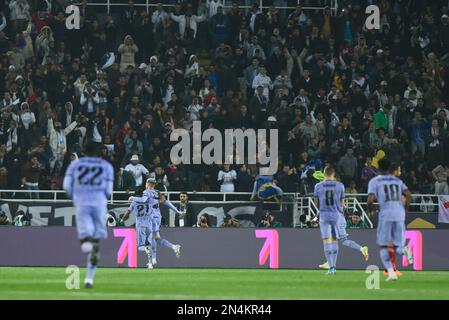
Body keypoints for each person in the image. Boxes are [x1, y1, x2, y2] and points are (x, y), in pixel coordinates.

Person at [63, 141, 114, 288]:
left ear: (84, 152)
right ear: (99, 152)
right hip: (99, 203)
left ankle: (87, 245)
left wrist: (75, 196)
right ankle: (89, 279)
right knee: (96, 241)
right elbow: (109, 190)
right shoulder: (106, 166)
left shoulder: (75, 165)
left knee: (85, 238)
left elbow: (66, 186)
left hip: (82, 202)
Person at [314, 167, 368, 274]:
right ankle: (361, 249)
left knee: (327, 242)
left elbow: (317, 202)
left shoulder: (318, 186)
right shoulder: (340, 186)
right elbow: (342, 203)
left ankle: (331, 266)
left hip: (325, 215)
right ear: (333, 174)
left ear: (324, 174)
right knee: (341, 241)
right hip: (338, 216)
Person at [367, 158, 414, 281]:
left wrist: (371, 210)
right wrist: (405, 208)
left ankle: (391, 273)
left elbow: (370, 199)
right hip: (399, 214)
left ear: (378, 167)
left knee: (384, 246)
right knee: (397, 245)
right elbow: (408, 194)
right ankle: (405, 250)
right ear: (389, 168)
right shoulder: (397, 181)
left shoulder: (375, 181)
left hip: (386, 214)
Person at [130, 178, 181, 267]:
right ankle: (173, 247)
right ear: (154, 184)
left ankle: (152, 261)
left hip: (150, 217)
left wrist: (132, 198)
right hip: (158, 216)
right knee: (156, 238)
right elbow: (166, 202)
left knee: (151, 238)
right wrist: (177, 211)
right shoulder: (157, 192)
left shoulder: (146, 192)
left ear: (147, 183)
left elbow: (143, 200)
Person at [120, 187, 152, 268]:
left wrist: (122, 219)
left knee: (140, 246)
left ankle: (146, 250)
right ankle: (150, 263)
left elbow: (128, 212)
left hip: (140, 224)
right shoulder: (148, 200)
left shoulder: (134, 202)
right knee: (149, 243)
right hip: (149, 223)